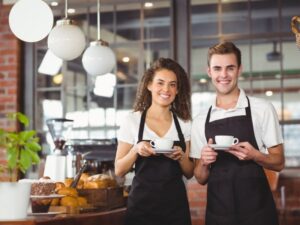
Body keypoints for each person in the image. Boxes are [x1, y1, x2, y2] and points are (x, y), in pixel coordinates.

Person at [190, 42, 285, 225]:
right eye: (217, 68)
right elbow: (201, 178)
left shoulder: (262, 109)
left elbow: (279, 162)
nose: (223, 75)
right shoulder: (200, 120)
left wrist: (255, 155)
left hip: (258, 214)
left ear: (239, 70)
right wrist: (204, 162)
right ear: (209, 71)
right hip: (219, 215)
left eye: (230, 68)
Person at [115, 58, 194, 225]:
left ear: (178, 90)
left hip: (175, 209)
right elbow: (119, 170)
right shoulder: (132, 120)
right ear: (149, 85)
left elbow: (189, 172)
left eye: (172, 84)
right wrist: (136, 150)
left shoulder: (184, 123)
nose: (166, 89)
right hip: (141, 209)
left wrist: (181, 157)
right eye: (160, 83)